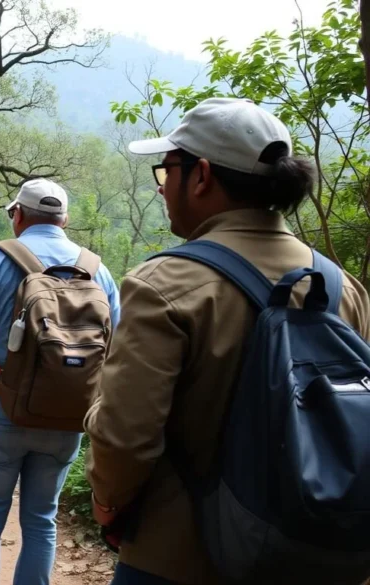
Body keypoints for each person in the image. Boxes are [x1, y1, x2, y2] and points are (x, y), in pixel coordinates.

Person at [84, 97, 370, 584]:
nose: (162, 187)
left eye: (166, 170)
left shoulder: (164, 285)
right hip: (314, 556)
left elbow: (124, 437)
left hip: (179, 559)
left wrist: (107, 502)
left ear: (200, 176)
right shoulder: (343, 288)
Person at [0, 179, 122, 585]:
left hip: (0, 407)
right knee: (42, 521)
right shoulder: (97, 270)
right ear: (65, 219)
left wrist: (0, 358)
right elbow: (117, 349)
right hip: (67, 416)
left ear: (17, 216)